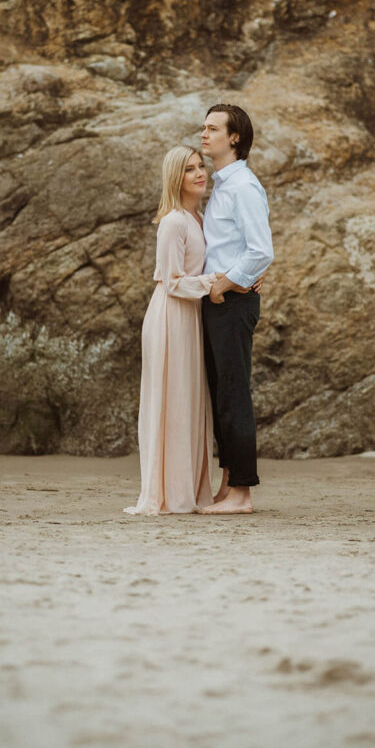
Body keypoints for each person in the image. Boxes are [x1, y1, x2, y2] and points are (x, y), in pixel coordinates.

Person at [124, 146, 218, 515]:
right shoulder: (174, 222)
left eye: (201, 166)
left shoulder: (197, 217)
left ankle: (187, 491)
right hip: (170, 316)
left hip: (191, 315)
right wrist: (219, 282)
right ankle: (169, 494)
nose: (199, 173)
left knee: (189, 401)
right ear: (174, 178)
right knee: (172, 401)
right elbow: (174, 281)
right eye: (189, 169)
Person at [199, 104, 274, 515]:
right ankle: (228, 485)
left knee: (233, 395)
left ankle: (242, 494)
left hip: (230, 302)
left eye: (213, 128)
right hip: (222, 300)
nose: (204, 134)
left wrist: (225, 285)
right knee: (220, 393)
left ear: (234, 138)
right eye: (204, 127)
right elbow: (240, 247)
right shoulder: (224, 184)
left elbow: (262, 250)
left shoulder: (242, 185)